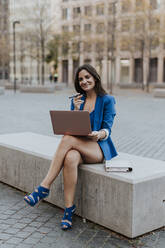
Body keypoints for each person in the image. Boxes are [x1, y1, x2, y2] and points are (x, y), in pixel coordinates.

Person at [24, 64, 118, 230]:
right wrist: (75, 109)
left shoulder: (107, 100)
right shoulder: (78, 100)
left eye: (87, 77)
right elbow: (72, 129)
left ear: (95, 78)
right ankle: (68, 210)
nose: (84, 81)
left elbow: (108, 128)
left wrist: (99, 134)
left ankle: (44, 187)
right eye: (81, 79)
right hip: (78, 145)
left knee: (67, 139)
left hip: (97, 148)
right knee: (70, 157)